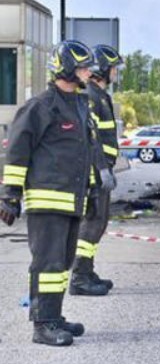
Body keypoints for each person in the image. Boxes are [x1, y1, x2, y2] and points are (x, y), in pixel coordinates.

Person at [0, 40, 114, 346]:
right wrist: (10, 195)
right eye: (82, 67)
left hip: (72, 199)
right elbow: (18, 151)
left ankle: (55, 315)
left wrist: (94, 185)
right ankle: (43, 324)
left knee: (63, 263)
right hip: (47, 200)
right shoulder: (41, 106)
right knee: (47, 264)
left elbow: (87, 149)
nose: (89, 72)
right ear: (66, 69)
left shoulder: (79, 104)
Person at [70, 44, 124, 296]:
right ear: (103, 69)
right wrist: (101, 170)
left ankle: (87, 270)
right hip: (95, 171)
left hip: (103, 169)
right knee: (92, 222)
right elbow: (90, 137)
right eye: (113, 68)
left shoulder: (101, 95)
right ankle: (80, 276)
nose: (116, 74)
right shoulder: (91, 96)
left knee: (99, 222)